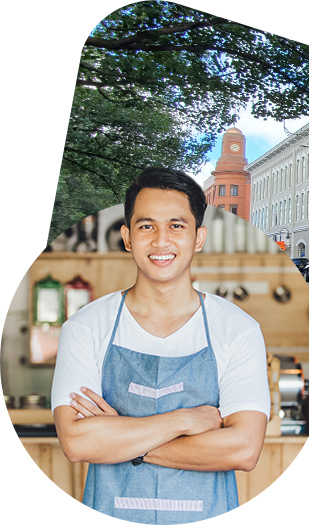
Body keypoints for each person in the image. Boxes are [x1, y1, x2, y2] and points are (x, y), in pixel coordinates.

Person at [51, 167, 270, 523]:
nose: (161, 241)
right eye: (146, 226)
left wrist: (121, 435)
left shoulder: (238, 329)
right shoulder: (86, 327)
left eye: (176, 226)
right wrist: (186, 419)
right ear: (127, 236)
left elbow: (244, 449)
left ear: (198, 238)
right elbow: (77, 443)